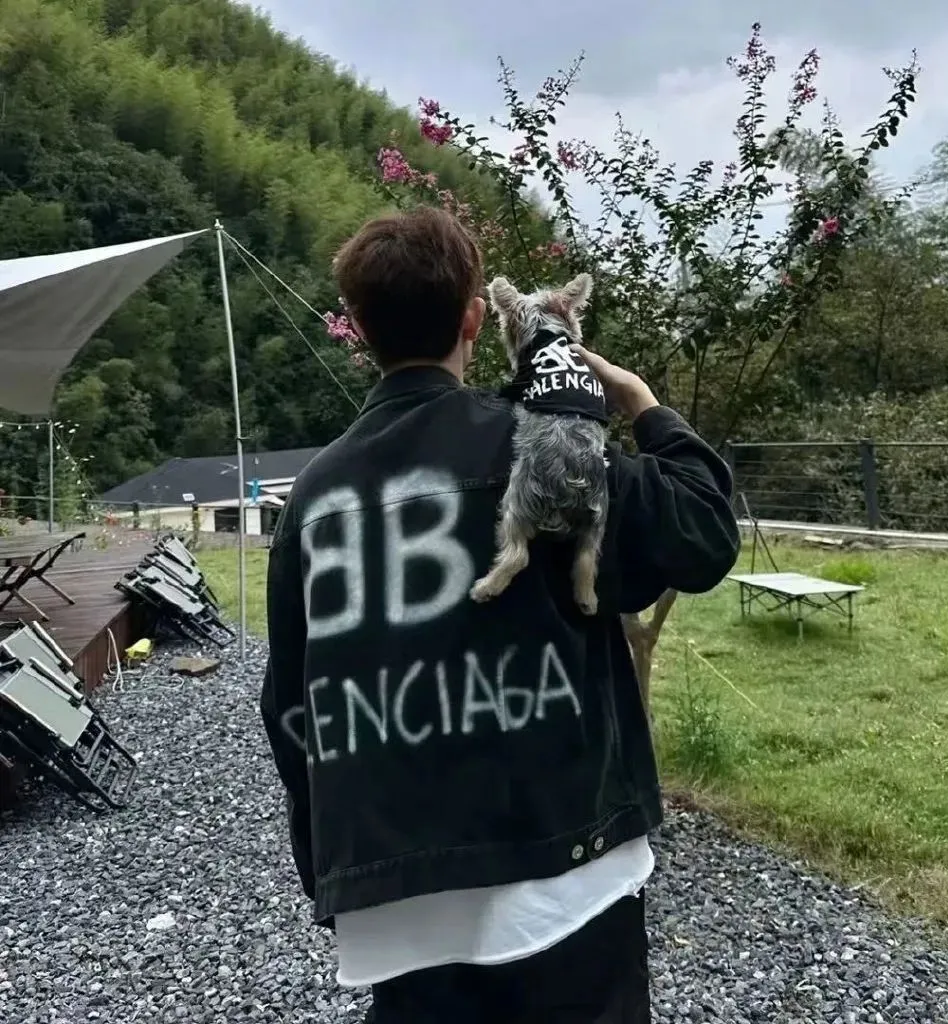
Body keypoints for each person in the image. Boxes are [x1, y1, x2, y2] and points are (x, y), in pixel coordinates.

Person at [260, 205, 740, 1024]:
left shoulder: (312, 497)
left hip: (400, 912)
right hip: (570, 882)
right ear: (475, 318)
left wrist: (337, 872)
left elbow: (288, 709)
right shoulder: (542, 443)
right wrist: (644, 405)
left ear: (360, 328)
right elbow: (702, 536)